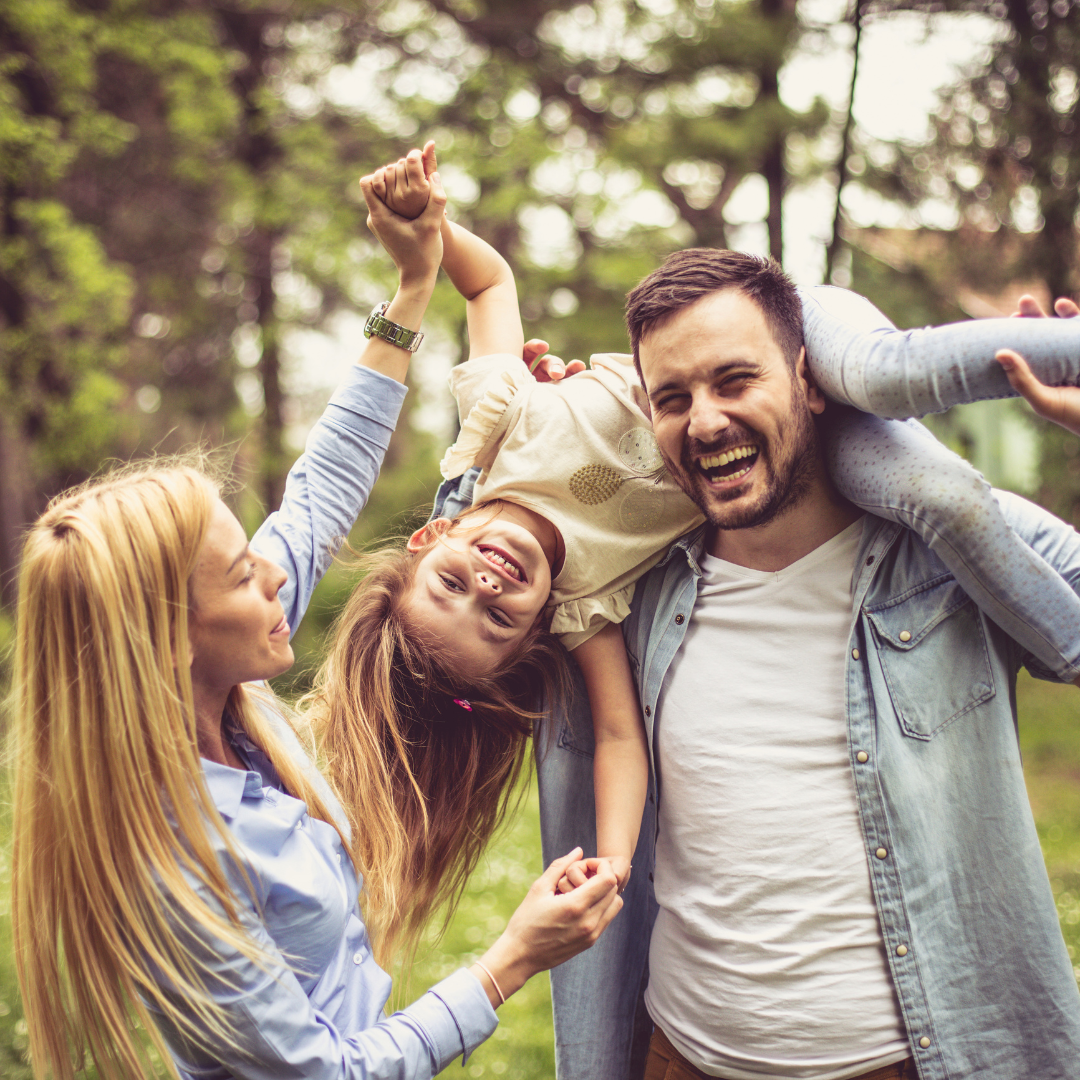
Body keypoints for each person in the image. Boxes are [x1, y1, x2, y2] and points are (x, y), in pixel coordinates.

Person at [353, 144, 1080, 917]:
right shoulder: (584, 603)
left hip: (772, 336)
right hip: (804, 452)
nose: (489, 586)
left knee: (882, 374)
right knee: (945, 500)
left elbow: (489, 281)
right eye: (496, 617)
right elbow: (618, 738)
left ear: (432, 539)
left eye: (454, 585)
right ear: (532, 633)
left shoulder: (499, 421)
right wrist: (613, 861)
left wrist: (428, 230)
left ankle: (1062, 350)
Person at [10, 163, 622, 1080]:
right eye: (242, 571)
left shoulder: (225, 664)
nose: (276, 567)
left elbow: (324, 486)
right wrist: (510, 962)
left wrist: (411, 286)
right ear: (169, 639)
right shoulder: (176, 864)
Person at [529, 251, 1080, 1080]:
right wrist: (540, 449)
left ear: (809, 381)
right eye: (673, 398)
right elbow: (463, 625)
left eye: (734, 381)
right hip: (679, 1057)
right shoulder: (630, 594)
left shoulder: (949, 551)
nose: (705, 421)